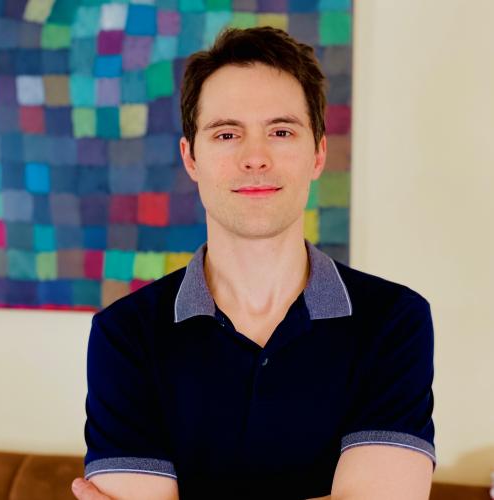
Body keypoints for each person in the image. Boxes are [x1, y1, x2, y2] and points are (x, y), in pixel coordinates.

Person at [72, 26, 436, 500]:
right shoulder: (124, 335)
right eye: (227, 134)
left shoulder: (394, 320)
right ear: (191, 158)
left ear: (318, 153)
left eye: (281, 131)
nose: (256, 158)